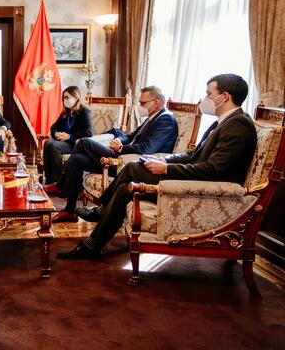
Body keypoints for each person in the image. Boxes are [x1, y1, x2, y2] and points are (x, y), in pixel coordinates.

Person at [57, 74, 257, 260]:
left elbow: (213, 170)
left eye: (209, 93)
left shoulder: (238, 125)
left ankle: (100, 215)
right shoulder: (221, 123)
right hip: (192, 178)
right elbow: (192, 155)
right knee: (125, 187)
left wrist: (167, 169)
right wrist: (165, 161)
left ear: (225, 96)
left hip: (204, 189)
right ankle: (93, 245)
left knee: (132, 168)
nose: (205, 98)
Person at [48, 86, 178, 223]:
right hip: (123, 156)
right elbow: (130, 136)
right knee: (76, 159)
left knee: (84, 142)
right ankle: (69, 211)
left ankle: (61, 185)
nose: (140, 106)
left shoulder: (166, 120)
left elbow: (147, 148)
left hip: (128, 164)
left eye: (143, 103)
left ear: (156, 102)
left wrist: (121, 148)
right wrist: (119, 140)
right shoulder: (151, 118)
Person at [43, 85, 93, 185]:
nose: (65, 100)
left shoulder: (84, 111)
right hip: (65, 142)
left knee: (53, 146)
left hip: (76, 143)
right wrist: (56, 134)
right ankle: (49, 181)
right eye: (63, 98)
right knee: (47, 143)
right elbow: (53, 127)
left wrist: (70, 136)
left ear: (75, 97)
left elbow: (88, 132)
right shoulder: (66, 113)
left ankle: (57, 183)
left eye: (67, 97)